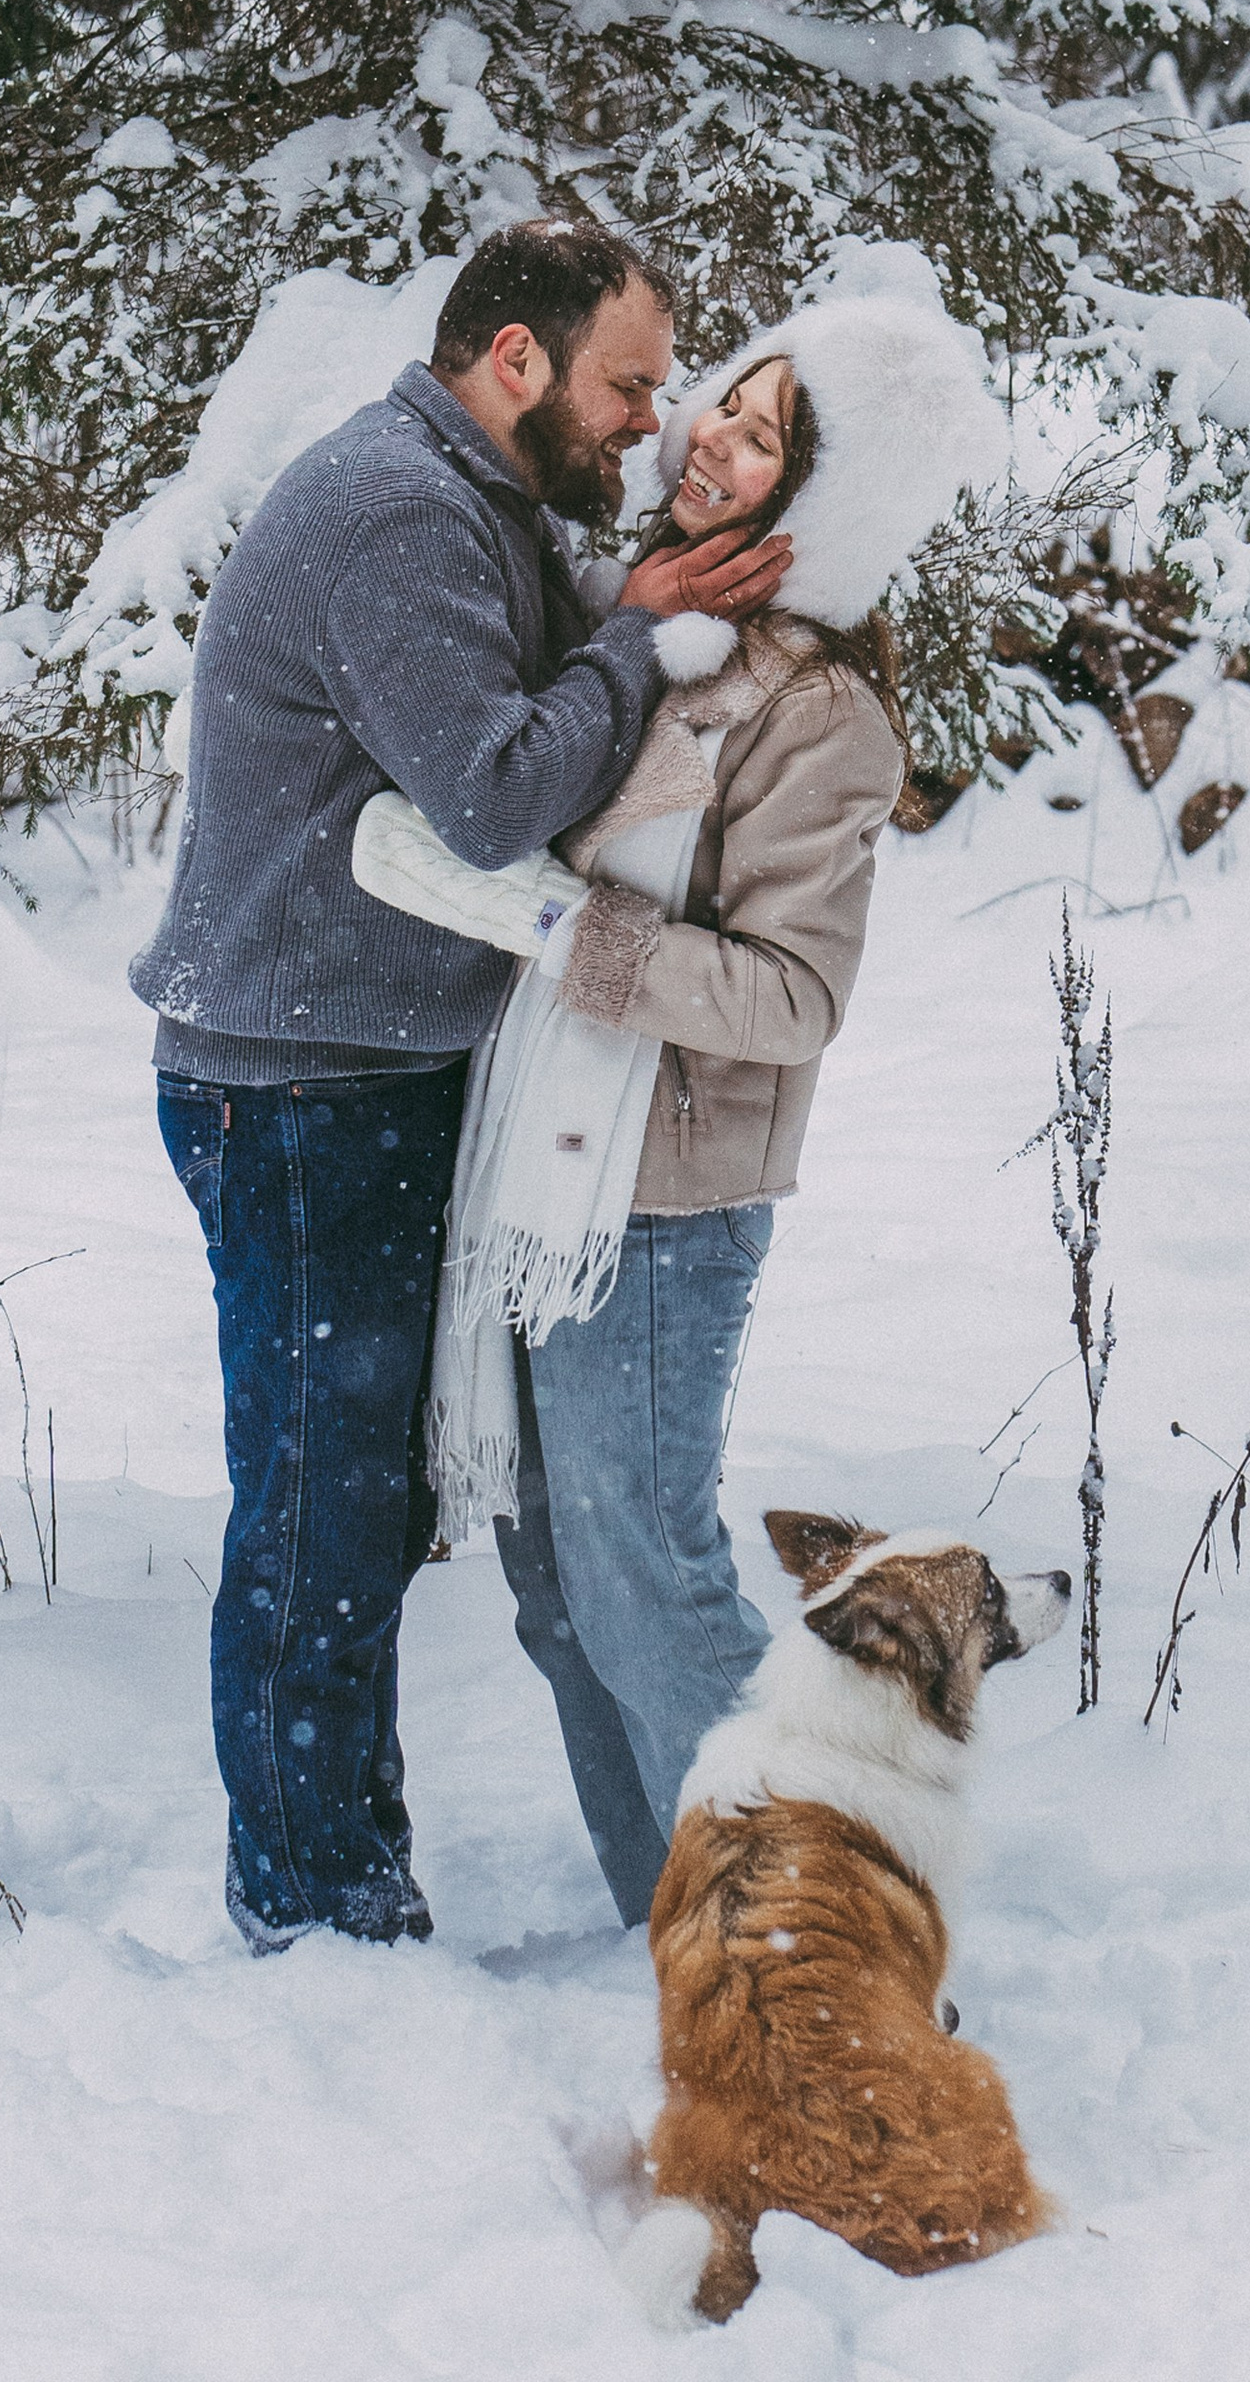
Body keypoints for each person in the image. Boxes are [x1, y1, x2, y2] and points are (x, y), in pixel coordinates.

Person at [135, 217, 791, 1951]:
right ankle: (314, 1914)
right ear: (516, 358)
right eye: (630, 384)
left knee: (375, 1495)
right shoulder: (396, 515)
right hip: (295, 1087)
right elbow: (497, 793)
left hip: (379, 1071)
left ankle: (338, 1882)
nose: (652, 421)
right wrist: (641, 636)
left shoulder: (486, 502)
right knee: (319, 1505)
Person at [353, 280, 1003, 1927]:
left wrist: (568, 933)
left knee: (643, 1582)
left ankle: (824, 1936)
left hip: (661, 1205)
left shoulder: (820, 710)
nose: (711, 430)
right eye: (732, 395)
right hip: (550, 1180)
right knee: (564, 1590)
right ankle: (692, 1931)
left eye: (766, 432)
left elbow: (794, 999)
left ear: (822, 498)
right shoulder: (650, 621)